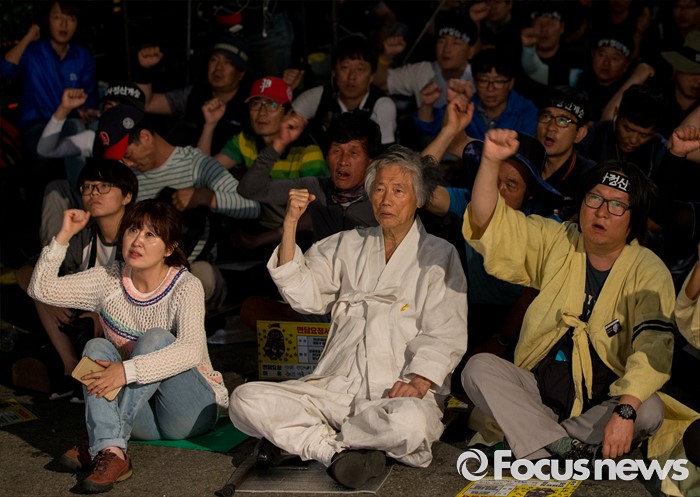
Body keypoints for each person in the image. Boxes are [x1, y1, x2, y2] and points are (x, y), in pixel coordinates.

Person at [229, 146, 468, 488]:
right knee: (243, 400)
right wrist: (290, 223)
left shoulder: (439, 255)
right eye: (379, 189)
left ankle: (312, 442)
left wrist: (418, 382)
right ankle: (338, 451)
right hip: (333, 390)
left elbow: (445, 331)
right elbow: (302, 294)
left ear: (418, 198)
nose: (386, 200)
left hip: (393, 394)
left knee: (410, 424)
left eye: (398, 190)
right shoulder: (347, 244)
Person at [461, 129, 675, 465]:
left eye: (617, 205)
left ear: (634, 218)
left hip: (603, 402)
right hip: (540, 392)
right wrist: (489, 161)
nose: (602, 212)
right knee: (478, 368)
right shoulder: (556, 240)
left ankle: (540, 443)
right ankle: (566, 449)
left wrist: (625, 409)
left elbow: (654, 347)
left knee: (648, 409)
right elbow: (491, 223)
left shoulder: (648, 269)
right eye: (595, 198)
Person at [27, 200, 228, 493]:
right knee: (96, 347)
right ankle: (112, 451)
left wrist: (125, 371)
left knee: (155, 338)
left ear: (169, 248)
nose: (137, 241)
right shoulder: (108, 279)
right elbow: (40, 289)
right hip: (140, 419)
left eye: (150, 235)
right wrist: (63, 236)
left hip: (189, 413)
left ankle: (101, 440)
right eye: (133, 230)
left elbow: (190, 350)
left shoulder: (186, 286)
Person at [95, 105, 261, 310]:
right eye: (121, 159)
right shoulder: (127, 178)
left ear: (146, 137)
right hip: (142, 272)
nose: (127, 164)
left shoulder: (195, 164)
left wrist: (206, 197)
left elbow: (251, 206)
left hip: (193, 264)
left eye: (128, 155)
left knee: (202, 279)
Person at [16, 159, 138, 402]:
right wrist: (50, 301)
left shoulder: (137, 234)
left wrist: (101, 312)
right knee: (40, 291)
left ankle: (103, 375)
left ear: (127, 196)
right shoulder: (83, 235)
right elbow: (27, 272)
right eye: (88, 187)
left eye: (104, 186)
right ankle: (71, 368)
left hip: (131, 317)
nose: (94, 193)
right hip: (85, 314)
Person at [135, 33, 250, 152]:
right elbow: (147, 104)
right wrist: (144, 70)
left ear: (241, 73)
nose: (218, 68)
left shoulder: (250, 105)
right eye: (214, 60)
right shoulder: (193, 94)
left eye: (228, 62)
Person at [291, 35, 397, 147]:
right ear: (333, 72)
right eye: (345, 67)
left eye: (360, 69)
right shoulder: (318, 97)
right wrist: (286, 89)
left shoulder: (382, 105)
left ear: (371, 76)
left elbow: (385, 154)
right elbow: (284, 125)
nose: (352, 76)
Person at [415, 47, 538, 140]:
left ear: (511, 83)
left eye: (498, 81)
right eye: (484, 80)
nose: (490, 88)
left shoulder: (527, 111)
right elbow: (428, 127)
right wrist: (427, 105)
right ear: (474, 82)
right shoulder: (466, 105)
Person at [578, 84, 667, 176]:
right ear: (616, 113)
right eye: (628, 129)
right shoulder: (590, 134)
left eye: (644, 135)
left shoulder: (661, 150)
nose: (633, 140)